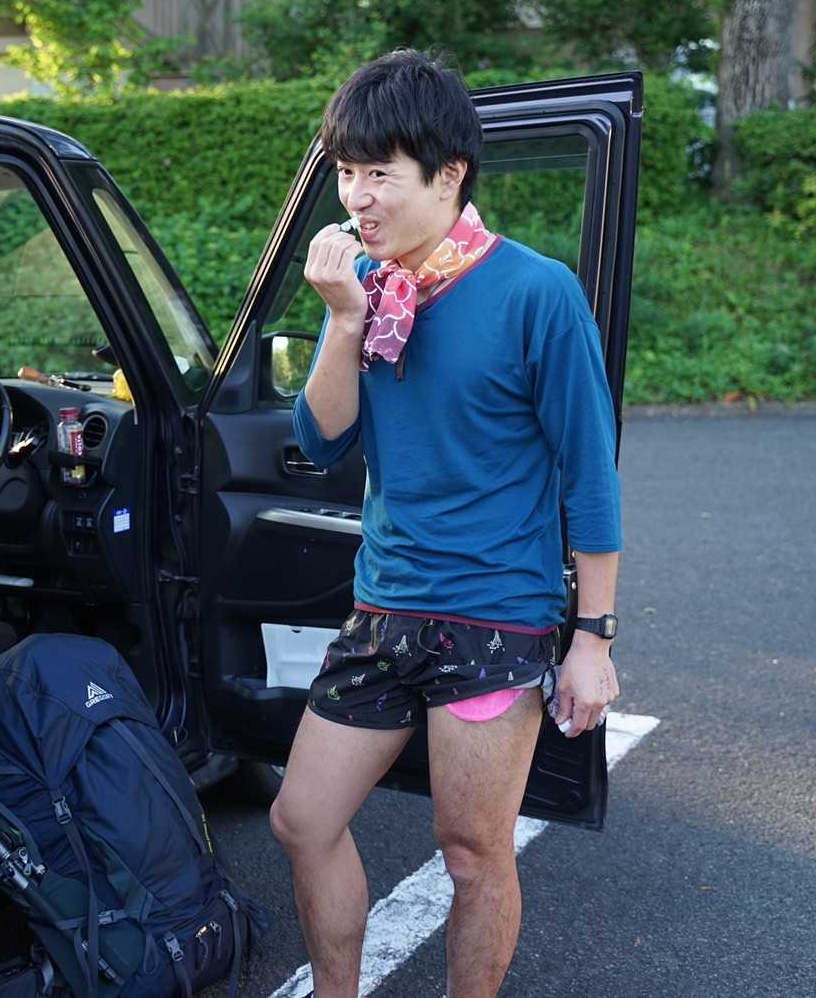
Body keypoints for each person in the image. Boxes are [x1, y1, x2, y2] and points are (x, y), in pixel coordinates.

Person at [269, 50, 624, 998]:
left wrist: (592, 638)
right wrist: (343, 319)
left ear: (449, 174)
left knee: (472, 853)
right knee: (302, 820)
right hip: (383, 604)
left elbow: (589, 474)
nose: (357, 197)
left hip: (493, 618)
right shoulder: (370, 288)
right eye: (346, 172)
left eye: (379, 173)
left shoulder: (535, 292)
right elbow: (320, 437)